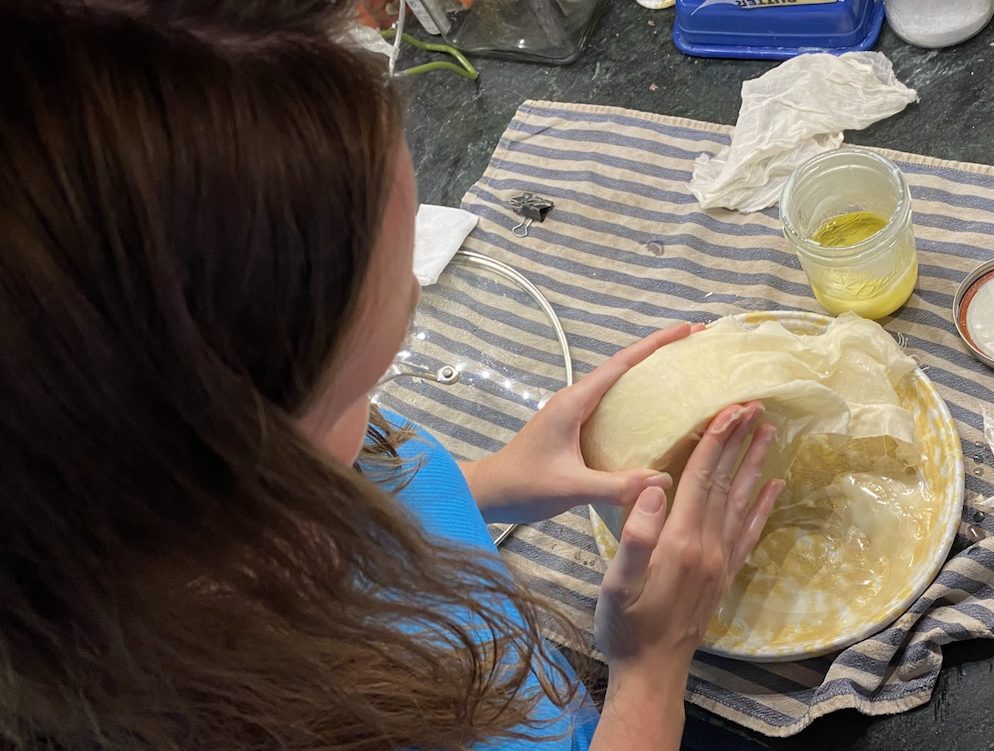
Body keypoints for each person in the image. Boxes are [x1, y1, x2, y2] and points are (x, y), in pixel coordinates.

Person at [0, 1, 785, 749]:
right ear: (222, 462)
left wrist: (495, 481)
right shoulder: (296, 718)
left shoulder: (224, 493)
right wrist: (650, 675)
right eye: (361, 381)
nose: (414, 290)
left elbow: (370, 495)